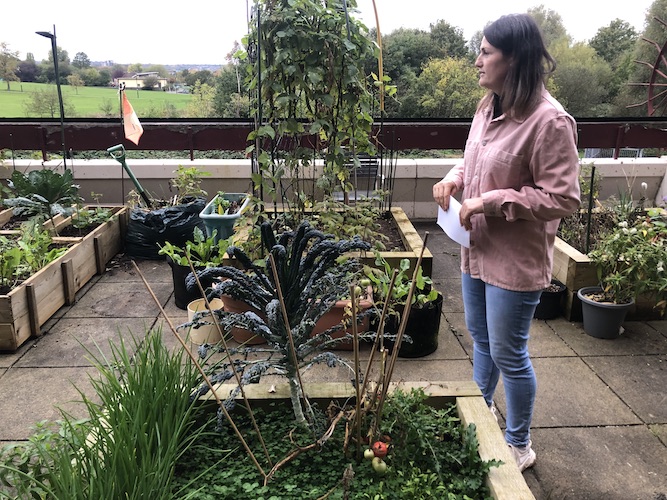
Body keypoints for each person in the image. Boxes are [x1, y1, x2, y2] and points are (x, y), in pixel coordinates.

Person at [432, 13, 581, 472]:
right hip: (475, 248)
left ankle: (518, 444)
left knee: (509, 353)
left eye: (486, 52)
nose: (476, 60)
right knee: (481, 339)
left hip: (515, 260)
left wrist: (491, 201)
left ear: (513, 59)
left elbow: (563, 198)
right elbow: (472, 160)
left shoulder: (550, 122)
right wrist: (453, 178)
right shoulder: (487, 105)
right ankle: (481, 412)